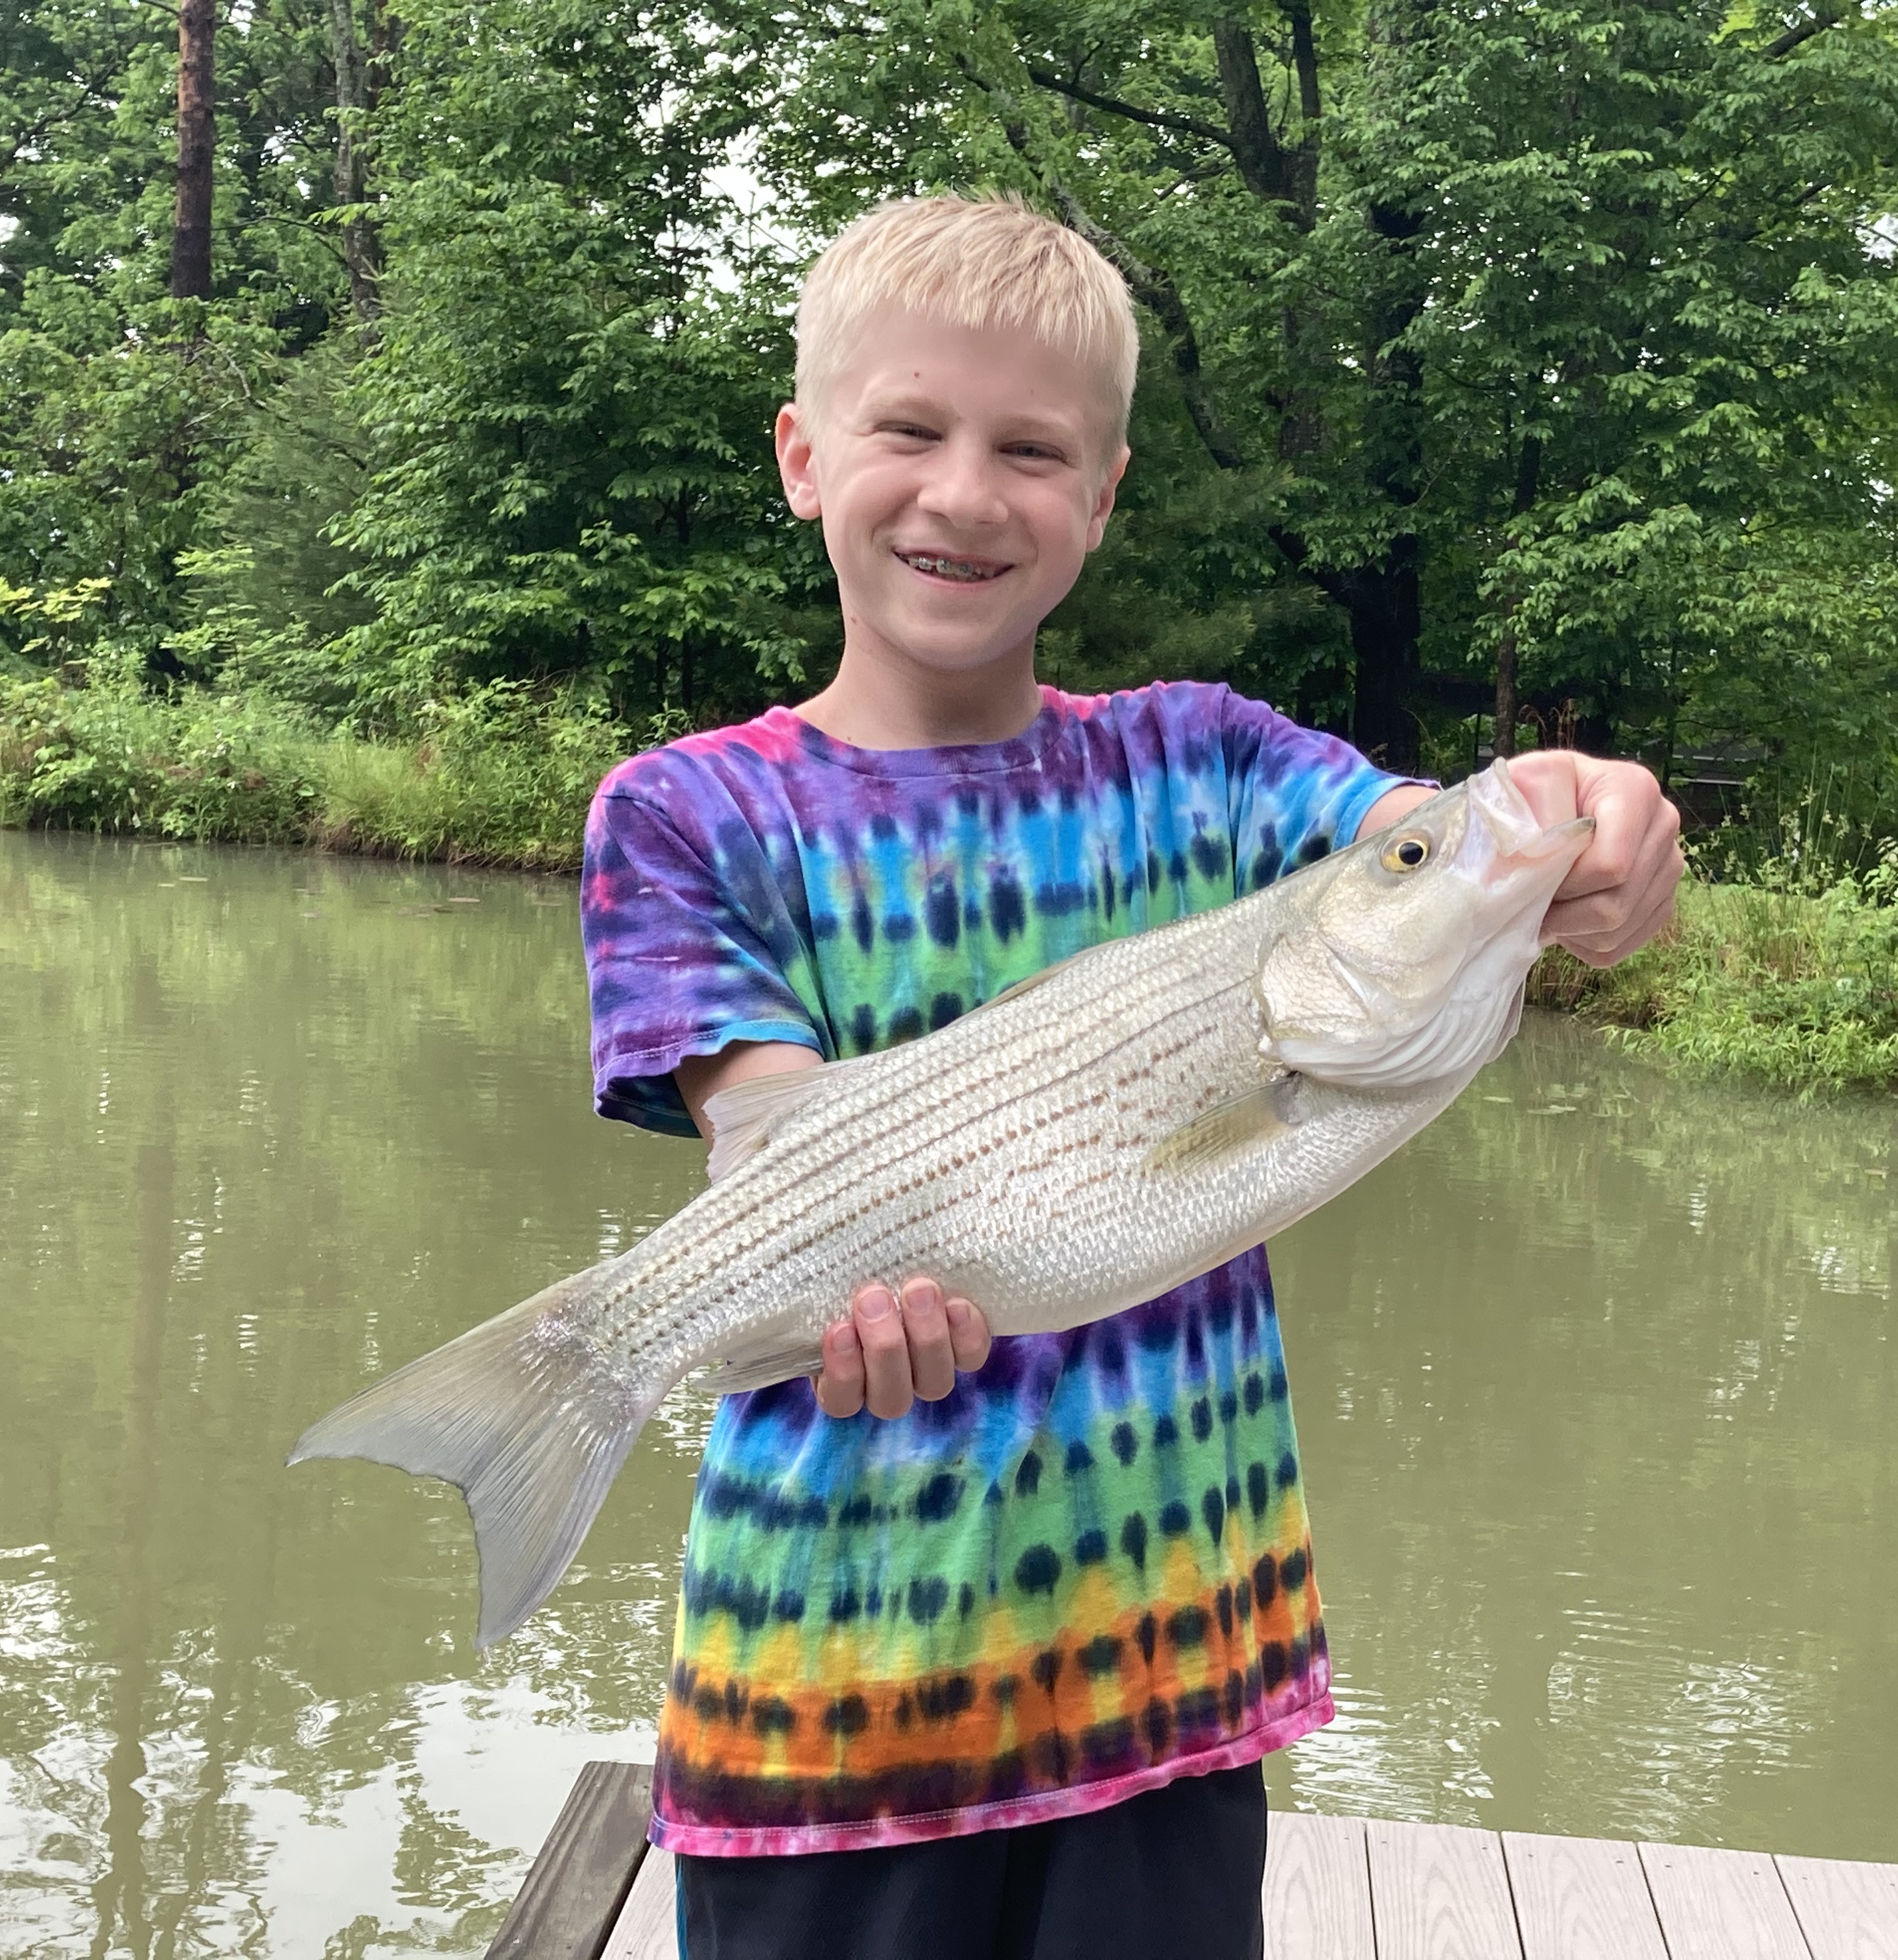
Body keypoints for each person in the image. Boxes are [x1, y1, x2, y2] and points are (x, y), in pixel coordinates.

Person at [579, 192, 1685, 1960]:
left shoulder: (1213, 764)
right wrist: (792, 1288)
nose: (963, 491)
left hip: (1170, 1685)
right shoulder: (684, 815)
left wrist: (1585, 817)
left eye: (1033, 450)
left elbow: (1408, 841)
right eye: (911, 429)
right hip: (829, 1696)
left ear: (1100, 500)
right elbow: (775, 1144)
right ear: (802, 456)